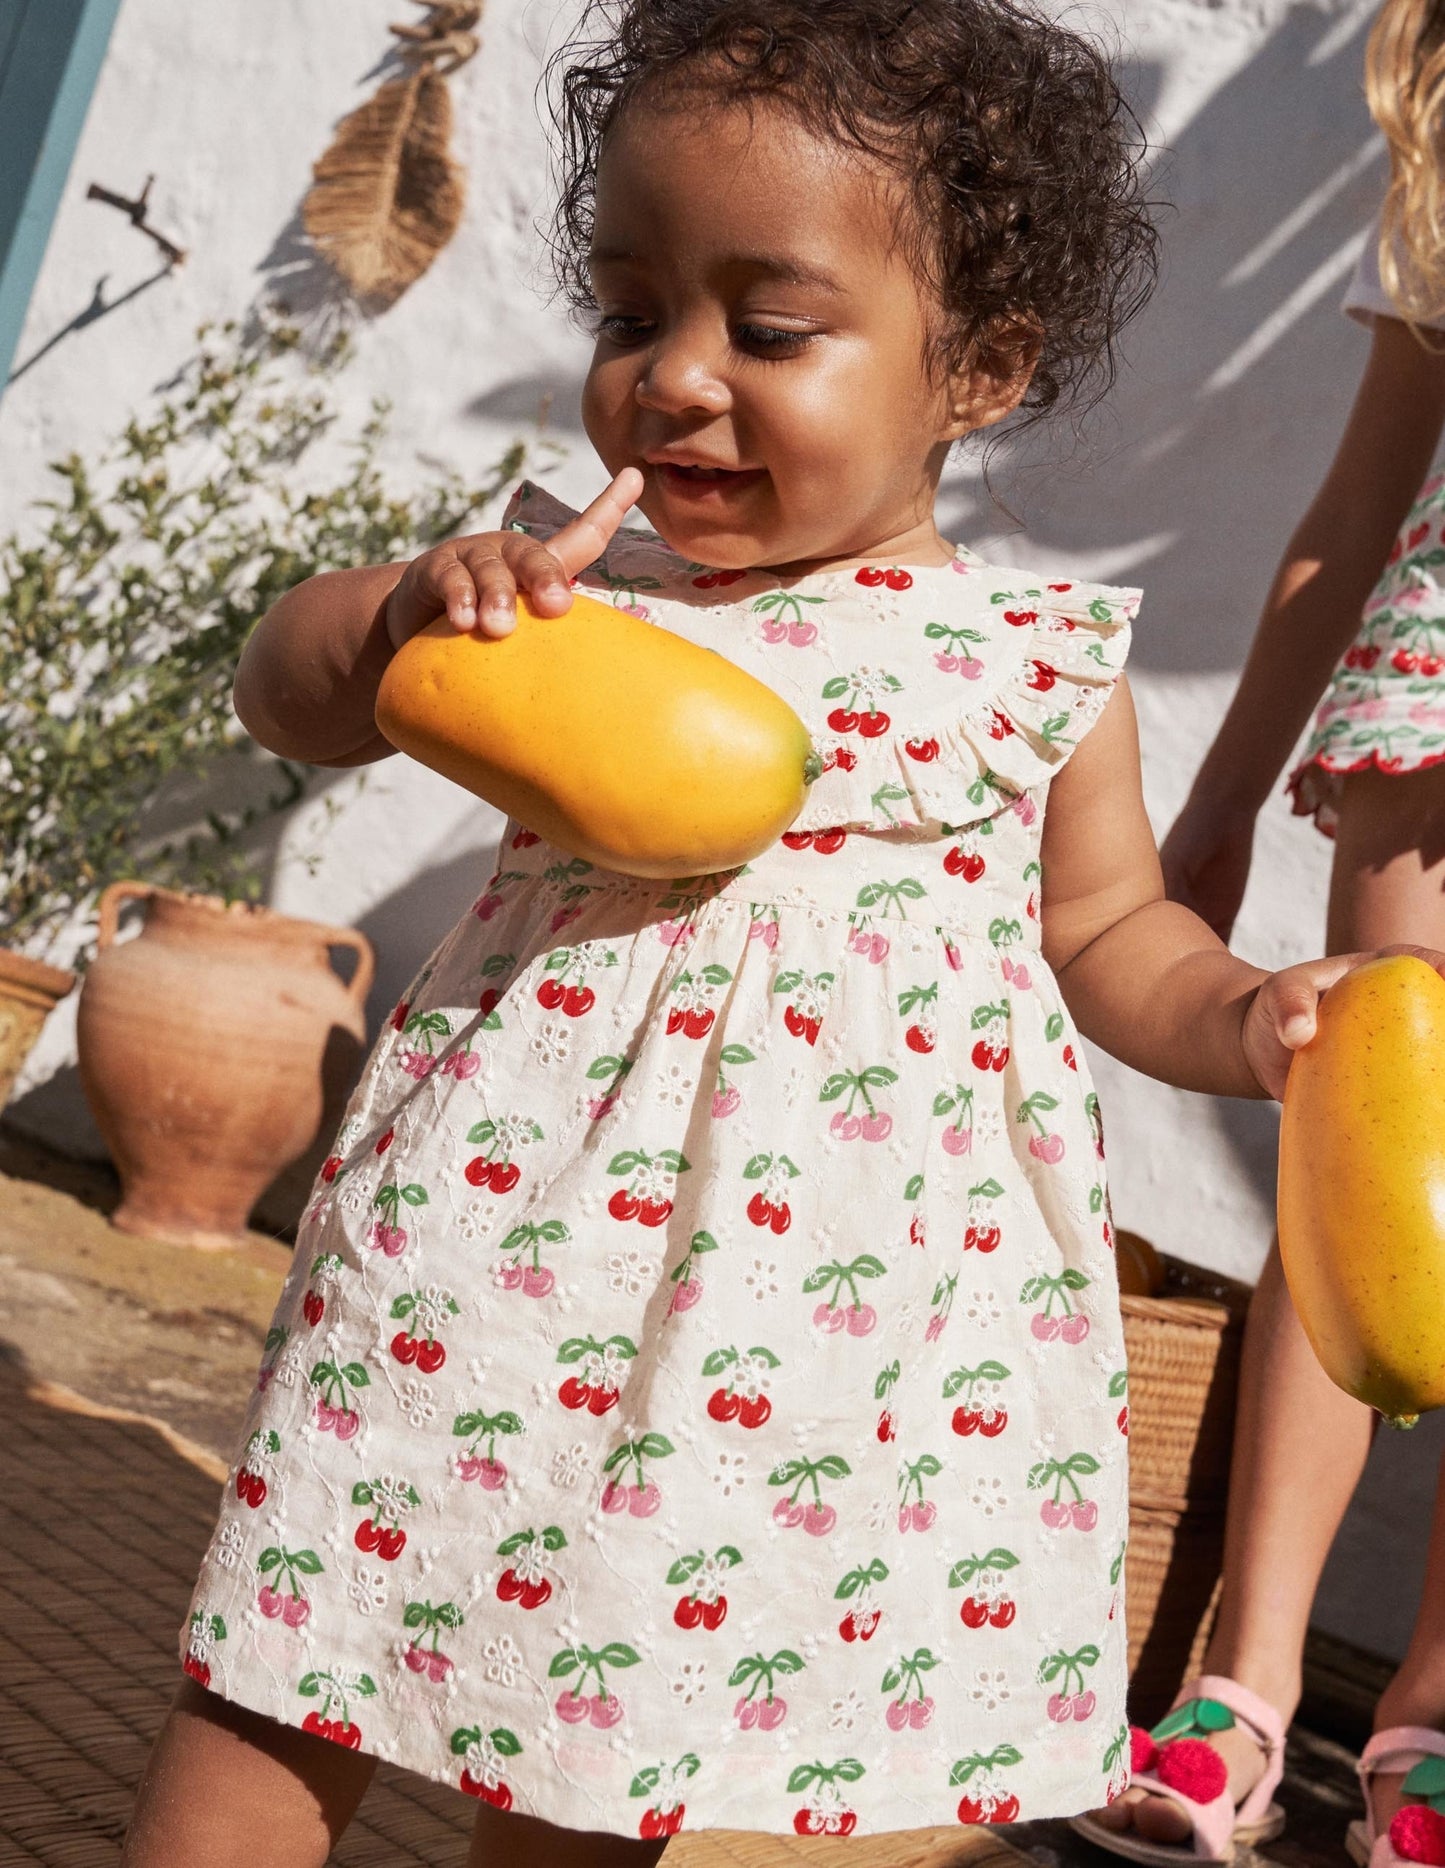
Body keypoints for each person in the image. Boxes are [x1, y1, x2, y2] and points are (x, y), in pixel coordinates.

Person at [121, 0, 1441, 1861]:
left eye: (769, 327)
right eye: (626, 308)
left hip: (792, 1313)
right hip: (487, 1270)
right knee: (292, 1647)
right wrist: (408, 611)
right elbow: (290, 687)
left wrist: (1244, 1022)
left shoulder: (1028, 665)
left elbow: (1110, 936)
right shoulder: (561, 595)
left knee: (603, 1727)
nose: (670, 375)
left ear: (974, 367)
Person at [1075, 2, 1445, 1865]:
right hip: (1439, 730)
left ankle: (1428, 1728)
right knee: (1353, 1152)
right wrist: (1214, 806)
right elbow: (1349, 518)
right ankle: (1242, 1685)